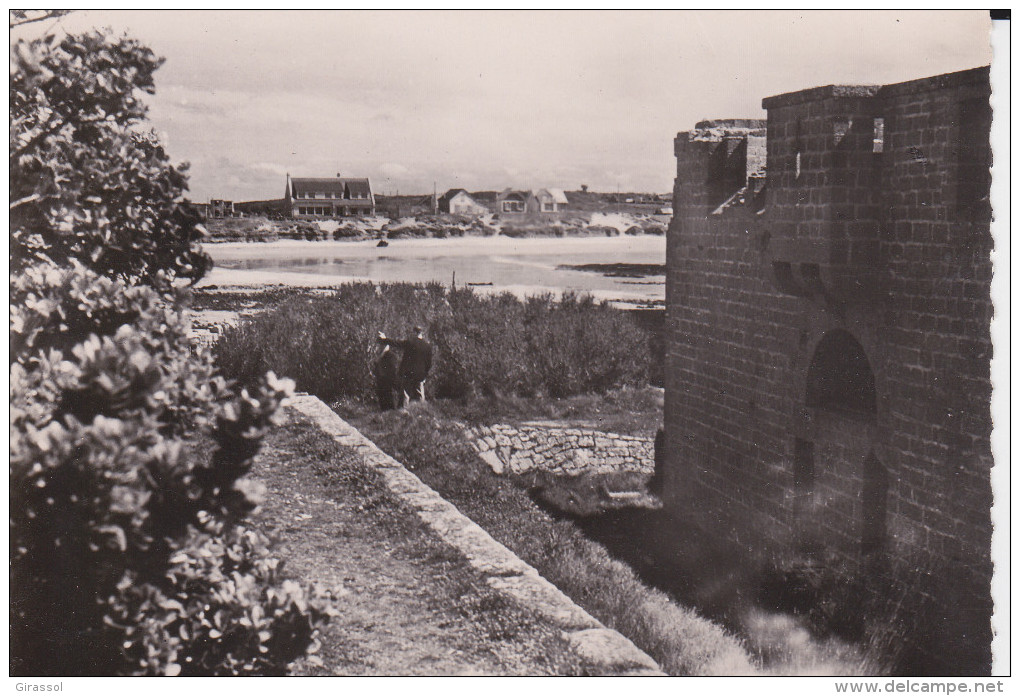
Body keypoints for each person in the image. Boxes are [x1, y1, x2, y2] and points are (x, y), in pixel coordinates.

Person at [377, 326, 433, 406]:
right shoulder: (427, 346)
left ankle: (403, 412)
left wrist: (384, 339)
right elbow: (429, 363)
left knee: (405, 395)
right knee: (420, 395)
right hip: (420, 374)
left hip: (409, 373)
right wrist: (425, 375)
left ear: (414, 332)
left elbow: (395, 343)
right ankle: (422, 412)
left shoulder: (409, 342)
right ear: (422, 333)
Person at [372, 336, 399, 411]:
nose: (381, 346)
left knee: (388, 398)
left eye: (383, 344)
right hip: (381, 379)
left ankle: (389, 413)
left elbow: (393, 369)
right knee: (382, 398)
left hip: (387, 380)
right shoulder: (380, 356)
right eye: (380, 344)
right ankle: (384, 413)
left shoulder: (391, 356)